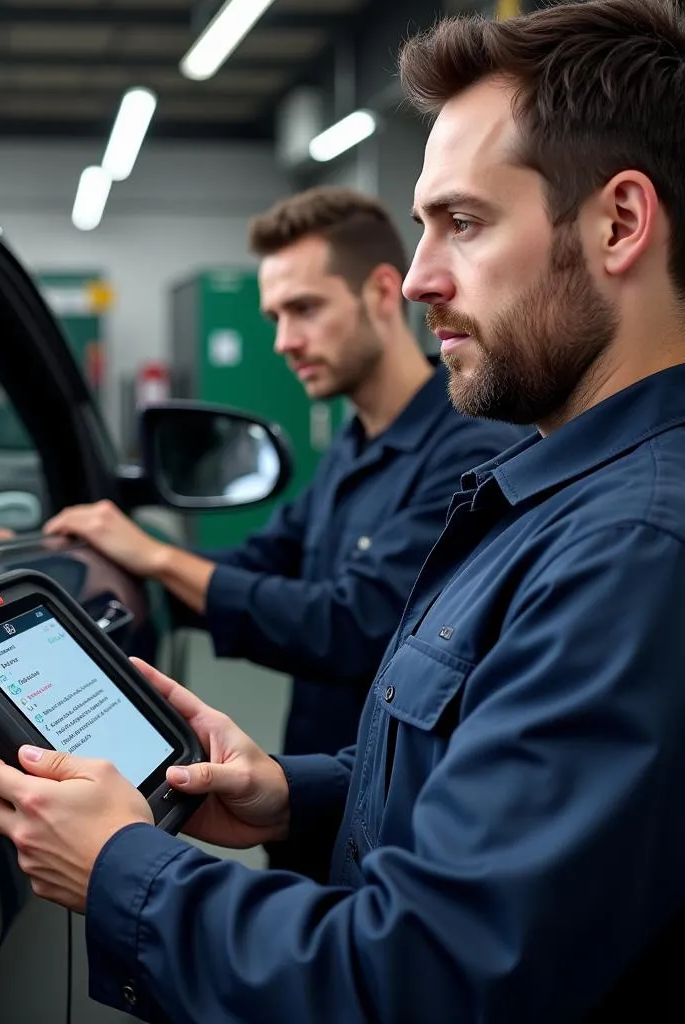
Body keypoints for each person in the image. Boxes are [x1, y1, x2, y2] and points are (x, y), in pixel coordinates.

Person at [0, 0, 685, 1018]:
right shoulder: (554, 493)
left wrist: (122, 866)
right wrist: (291, 790)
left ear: (618, 222)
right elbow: (474, 767)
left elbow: (423, 978)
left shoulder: (630, 551)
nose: (424, 279)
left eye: (465, 222)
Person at [43, 188, 518, 766]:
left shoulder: (470, 447)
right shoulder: (357, 439)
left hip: (386, 812)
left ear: (379, 292)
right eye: (275, 317)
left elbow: (351, 625)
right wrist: (71, 560)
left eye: (305, 309)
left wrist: (159, 558)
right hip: (315, 793)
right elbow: (263, 558)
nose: (284, 342)